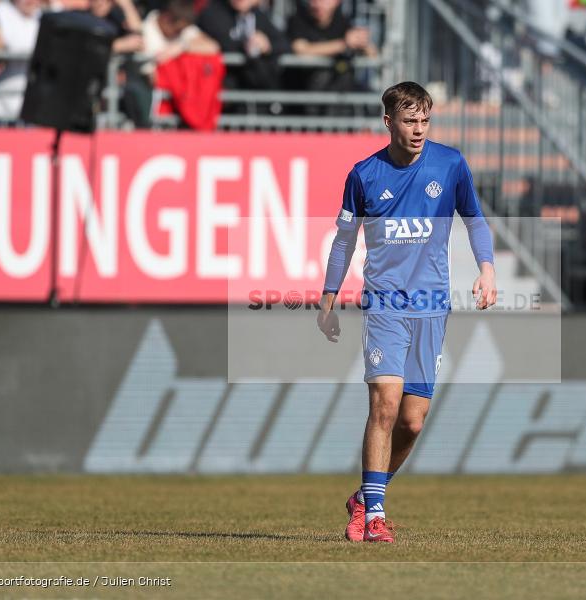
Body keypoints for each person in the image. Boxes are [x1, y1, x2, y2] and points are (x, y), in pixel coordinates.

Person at [316, 82, 497, 543]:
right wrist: (329, 296)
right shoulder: (364, 175)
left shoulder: (450, 164)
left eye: (424, 121)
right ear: (389, 122)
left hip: (432, 307)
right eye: (409, 120)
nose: (418, 130)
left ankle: (365, 496)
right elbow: (344, 240)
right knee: (385, 404)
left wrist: (487, 269)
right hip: (384, 305)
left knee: (412, 421)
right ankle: (374, 516)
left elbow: (474, 219)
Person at [286, 0, 376, 113]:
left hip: (338, 98)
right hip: (304, 98)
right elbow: (301, 49)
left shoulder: (342, 21)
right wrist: (344, 44)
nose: (318, 4)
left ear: (337, 2)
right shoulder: (298, 19)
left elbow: (373, 55)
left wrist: (363, 42)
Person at [197, 0, 289, 93]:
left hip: (257, 91)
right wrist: (245, 45)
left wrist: (267, 46)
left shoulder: (258, 15)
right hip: (225, 91)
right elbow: (224, 44)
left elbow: (283, 44)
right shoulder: (213, 13)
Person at [0, 0, 40, 121]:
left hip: (35, 105)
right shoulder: (1, 10)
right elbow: (13, 45)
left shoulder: (41, 15)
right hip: (5, 103)